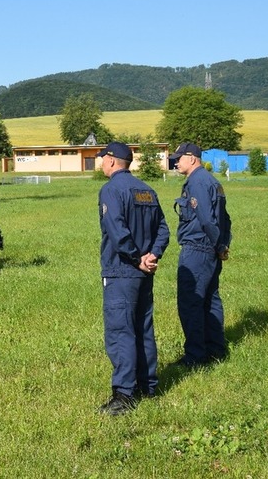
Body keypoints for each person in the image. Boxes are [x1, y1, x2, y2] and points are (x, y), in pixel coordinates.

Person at [96, 142, 169, 416]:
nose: (102, 162)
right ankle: (147, 386)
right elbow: (163, 229)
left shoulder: (111, 190)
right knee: (143, 327)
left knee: (120, 331)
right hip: (144, 272)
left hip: (121, 270)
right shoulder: (147, 190)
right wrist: (153, 255)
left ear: (113, 161)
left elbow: (116, 230)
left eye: (103, 158)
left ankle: (124, 394)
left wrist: (137, 257)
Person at [169, 142, 233, 368]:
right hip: (212, 249)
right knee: (210, 299)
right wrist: (223, 245)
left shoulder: (196, 182)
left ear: (193, 159)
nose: (176, 162)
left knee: (191, 302)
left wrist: (217, 245)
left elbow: (207, 219)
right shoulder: (213, 182)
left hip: (198, 248)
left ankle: (195, 356)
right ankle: (215, 350)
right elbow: (225, 219)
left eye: (179, 158)